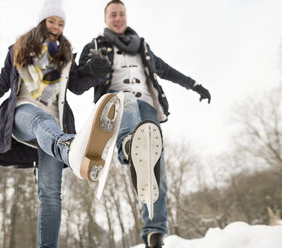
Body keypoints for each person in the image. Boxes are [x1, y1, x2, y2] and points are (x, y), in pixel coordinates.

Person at [0, 0, 123, 247]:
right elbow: (0, 85)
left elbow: (77, 86)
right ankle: (71, 148)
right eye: (52, 21)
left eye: (61, 23)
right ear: (42, 22)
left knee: (51, 194)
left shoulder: (66, 57)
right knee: (41, 119)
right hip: (24, 112)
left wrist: (94, 69)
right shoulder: (20, 49)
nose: (56, 27)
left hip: (55, 126)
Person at [69, 0, 211, 247]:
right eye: (113, 14)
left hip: (149, 107)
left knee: (157, 168)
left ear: (126, 16)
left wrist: (194, 85)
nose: (117, 18)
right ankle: (127, 144)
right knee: (127, 101)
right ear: (106, 19)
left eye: (121, 14)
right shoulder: (95, 46)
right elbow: (76, 86)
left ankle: (155, 232)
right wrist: (89, 69)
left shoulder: (142, 47)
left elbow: (166, 70)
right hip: (115, 105)